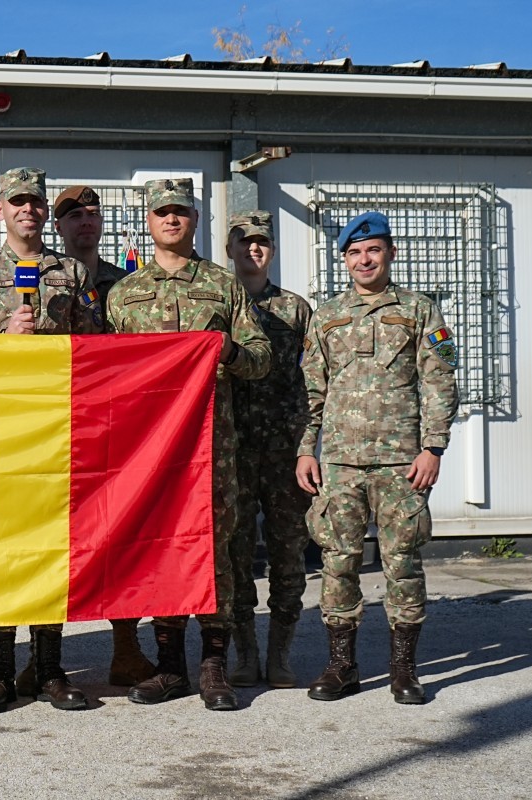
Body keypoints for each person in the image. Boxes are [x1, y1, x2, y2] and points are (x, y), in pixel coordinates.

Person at [106, 178, 271, 712]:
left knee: (214, 550)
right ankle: (170, 667)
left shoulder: (224, 286)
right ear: (148, 223)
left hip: (211, 446)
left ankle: (213, 665)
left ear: (195, 220)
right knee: (161, 549)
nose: (171, 220)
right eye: (162, 213)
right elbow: (104, 370)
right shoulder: (124, 294)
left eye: (181, 211)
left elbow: (262, 357)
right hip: (150, 451)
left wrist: (226, 351)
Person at [0, 166, 101, 713]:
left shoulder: (71, 274)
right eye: (17, 202)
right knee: (0, 549)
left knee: (50, 547)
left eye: (35, 202)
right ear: (1, 210)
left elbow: (97, 349)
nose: (27, 210)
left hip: (55, 430)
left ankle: (52, 668)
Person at [296, 211, 458, 705]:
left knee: (402, 564)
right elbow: (311, 390)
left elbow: (440, 380)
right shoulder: (326, 316)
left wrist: (433, 447)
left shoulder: (418, 311)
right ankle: (341, 666)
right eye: (354, 252)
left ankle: (403, 670)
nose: (363, 259)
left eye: (373, 250)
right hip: (341, 462)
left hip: (400, 462)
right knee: (338, 563)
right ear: (344, 260)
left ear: (388, 253)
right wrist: (307, 448)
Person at [52, 184, 154, 687]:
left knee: (118, 534)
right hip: (53, 426)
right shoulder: (43, 277)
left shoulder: (128, 285)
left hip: (115, 425)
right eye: (74, 216)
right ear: (59, 226)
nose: (85, 222)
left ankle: (125, 645)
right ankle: (43, 655)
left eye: (92, 214)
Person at [223, 211, 313, 689]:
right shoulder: (219, 301)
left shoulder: (296, 310)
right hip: (232, 448)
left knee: (287, 552)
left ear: (271, 251)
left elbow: (312, 381)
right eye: (244, 242)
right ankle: (245, 652)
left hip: (284, 447)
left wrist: (308, 444)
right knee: (236, 554)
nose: (253, 250)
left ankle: (280, 654)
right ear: (230, 249)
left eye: (261, 243)